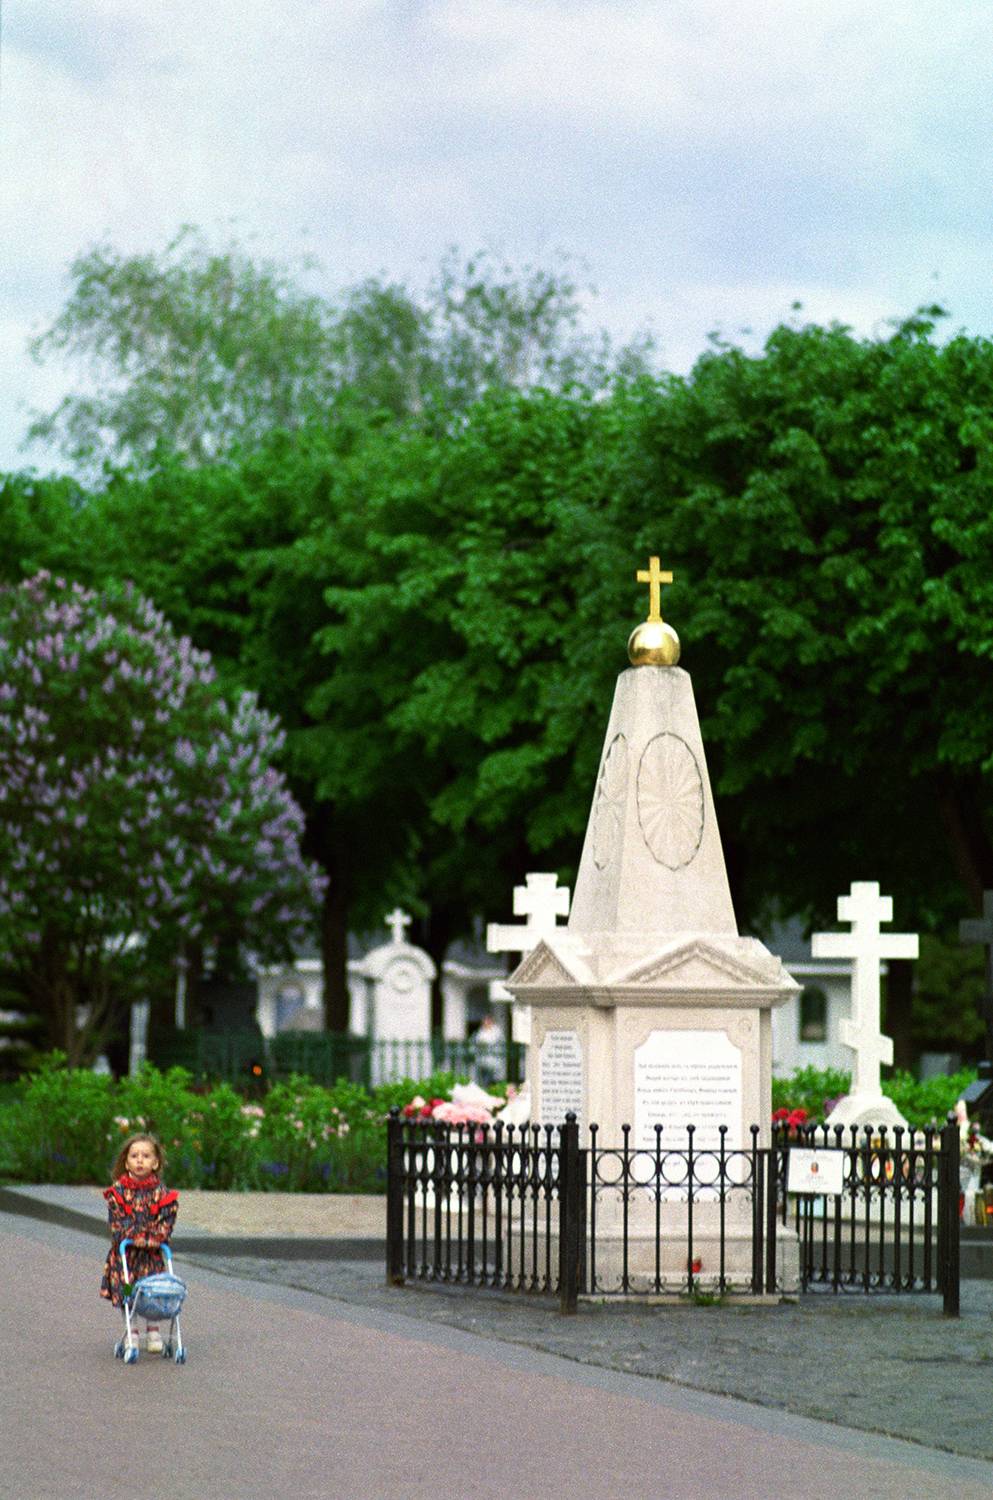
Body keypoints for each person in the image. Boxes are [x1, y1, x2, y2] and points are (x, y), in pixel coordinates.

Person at [100, 1132, 179, 1352]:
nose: (140, 1160)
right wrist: (133, 1235)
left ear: (155, 1163)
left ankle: (153, 1330)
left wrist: (153, 1237)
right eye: (134, 1156)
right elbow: (117, 1222)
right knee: (128, 1291)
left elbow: (167, 1219)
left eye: (146, 1156)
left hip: (151, 1256)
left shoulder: (161, 1193)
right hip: (127, 1256)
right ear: (126, 1163)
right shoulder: (118, 1193)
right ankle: (131, 1330)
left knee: (153, 1291)